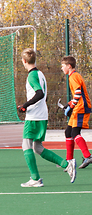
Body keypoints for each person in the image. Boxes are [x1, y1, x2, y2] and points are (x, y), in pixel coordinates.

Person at [17, 48, 75, 187]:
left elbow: (40, 93)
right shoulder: (40, 74)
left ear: (24, 61)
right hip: (42, 114)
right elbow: (43, 95)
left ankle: (35, 178)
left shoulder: (31, 76)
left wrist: (25, 106)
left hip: (34, 116)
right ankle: (66, 165)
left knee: (26, 145)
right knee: (37, 147)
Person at [61, 56, 92, 169]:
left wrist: (72, 106)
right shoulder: (74, 75)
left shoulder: (73, 76)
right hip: (78, 107)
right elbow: (77, 94)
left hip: (81, 108)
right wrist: (69, 104)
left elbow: (78, 93)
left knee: (74, 133)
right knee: (68, 132)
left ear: (69, 66)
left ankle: (88, 156)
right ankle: (69, 161)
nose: (61, 68)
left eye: (63, 66)